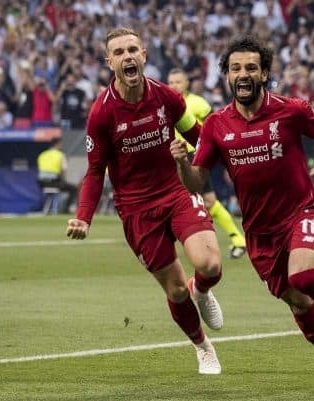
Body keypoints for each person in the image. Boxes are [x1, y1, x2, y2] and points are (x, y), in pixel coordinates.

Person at [170, 35, 314, 389]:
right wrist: (182, 163)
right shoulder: (215, 125)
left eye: (251, 68)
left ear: (264, 74)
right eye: (235, 68)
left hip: (301, 211)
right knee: (299, 303)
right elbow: (196, 183)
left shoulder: (292, 109)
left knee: (302, 277)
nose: (243, 74)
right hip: (260, 232)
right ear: (227, 75)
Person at [65, 27, 224, 375]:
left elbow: (200, 135)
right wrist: (83, 217)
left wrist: (229, 157)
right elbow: (94, 172)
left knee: (210, 265)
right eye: (119, 53)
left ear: (144, 54)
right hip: (137, 209)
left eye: (132, 49)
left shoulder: (166, 97)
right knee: (176, 290)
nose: (127, 57)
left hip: (176, 191)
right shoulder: (102, 113)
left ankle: (204, 290)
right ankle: (202, 347)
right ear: (110, 62)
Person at [167, 68, 247, 259]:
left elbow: (214, 126)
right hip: (172, 158)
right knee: (208, 201)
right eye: (171, 82)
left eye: (178, 82)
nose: (174, 86)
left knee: (202, 201)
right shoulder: (166, 103)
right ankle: (237, 239)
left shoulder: (198, 103)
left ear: (187, 83)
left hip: (194, 156)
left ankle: (234, 240)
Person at [37, 137, 78, 213]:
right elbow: (64, 170)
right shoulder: (60, 155)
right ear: (57, 144)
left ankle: (48, 208)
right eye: (61, 144)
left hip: (41, 183)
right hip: (54, 182)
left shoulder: (42, 155)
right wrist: (64, 181)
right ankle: (67, 209)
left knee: (51, 192)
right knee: (74, 188)